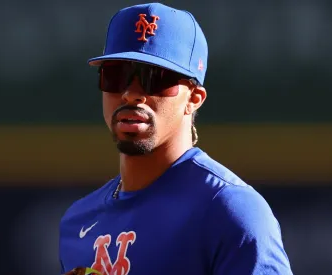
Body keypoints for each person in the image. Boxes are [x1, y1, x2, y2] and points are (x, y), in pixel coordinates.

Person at [59, 3, 293, 275]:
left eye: (154, 78)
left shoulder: (229, 210)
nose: (131, 94)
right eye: (115, 75)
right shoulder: (77, 221)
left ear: (193, 99)